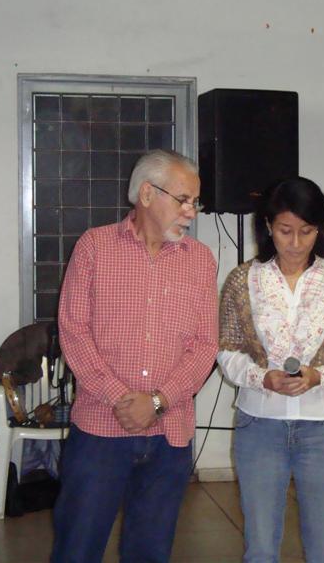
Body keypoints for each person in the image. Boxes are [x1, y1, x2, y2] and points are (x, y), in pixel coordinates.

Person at [52, 149, 218, 563]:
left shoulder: (200, 260)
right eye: (183, 200)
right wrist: (121, 399)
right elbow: (73, 331)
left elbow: (205, 346)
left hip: (169, 434)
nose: (191, 212)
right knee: (77, 549)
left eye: (195, 202)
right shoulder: (94, 247)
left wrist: (157, 402)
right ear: (146, 194)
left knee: (150, 552)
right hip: (100, 430)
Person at [218, 177, 324, 563]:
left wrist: (320, 375)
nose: (295, 243)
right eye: (285, 231)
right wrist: (262, 377)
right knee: (260, 544)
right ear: (268, 227)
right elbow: (227, 351)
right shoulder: (244, 279)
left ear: (320, 229)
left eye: (306, 231)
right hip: (260, 425)